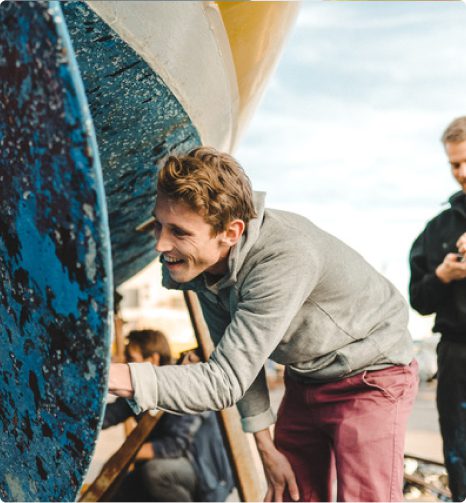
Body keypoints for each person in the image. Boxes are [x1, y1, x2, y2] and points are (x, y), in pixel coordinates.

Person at [110, 147, 418, 502]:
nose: (162, 244)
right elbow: (236, 360)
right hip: (307, 377)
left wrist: (114, 375)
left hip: (371, 375)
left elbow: (222, 381)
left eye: (178, 231)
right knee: (291, 494)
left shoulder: (284, 260)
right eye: (159, 224)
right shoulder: (201, 262)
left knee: (367, 498)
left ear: (231, 231)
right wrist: (265, 447)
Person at [103, 329, 234, 502]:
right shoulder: (140, 390)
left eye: (132, 359)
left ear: (153, 360)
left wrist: (126, 455)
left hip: (203, 472)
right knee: (115, 491)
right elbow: (107, 416)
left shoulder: (182, 386)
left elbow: (175, 445)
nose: (126, 364)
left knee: (154, 473)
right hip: (171, 466)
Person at [409, 116, 466, 502]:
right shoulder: (436, 228)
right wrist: (442, 275)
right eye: (454, 164)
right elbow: (418, 299)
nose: (461, 172)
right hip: (456, 351)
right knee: (458, 442)